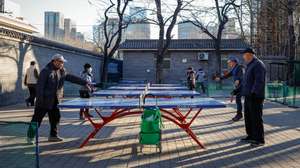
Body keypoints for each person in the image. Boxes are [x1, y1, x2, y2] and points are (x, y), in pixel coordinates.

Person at [27, 54, 92, 143]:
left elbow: (71, 77)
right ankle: (30, 137)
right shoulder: (46, 71)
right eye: (60, 62)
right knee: (36, 119)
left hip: (55, 100)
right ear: (54, 61)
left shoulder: (62, 71)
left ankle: (53, 136)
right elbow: (39, 87)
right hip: (44, 101)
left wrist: (85, 82)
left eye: (62, 62)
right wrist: (40, 100)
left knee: (55, 118)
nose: (62, 64)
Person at [240, 48, 266, 147]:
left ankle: (259, 139)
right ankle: (251, 136)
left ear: (250, 55)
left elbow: (259, 81)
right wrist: (240, 91)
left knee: (256, 118)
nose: (243, 57)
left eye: (244, 55)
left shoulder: (258, 64)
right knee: (248, 117)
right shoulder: (249, 65)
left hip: (255, 96)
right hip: (248, 96)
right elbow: (247, 81)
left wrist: (254, 92)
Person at [215, 56, 244, 122]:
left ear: (234, 62)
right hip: (239, 86)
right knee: (238, 100)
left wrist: (237, 80)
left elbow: (240, 75)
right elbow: (228, 75)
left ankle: (239, 115)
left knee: (239, 100)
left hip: (242, 86)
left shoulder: (239, 67)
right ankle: (240, 114)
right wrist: (220, 78)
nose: (229, 64)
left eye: (230, 62)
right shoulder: (234, 68)